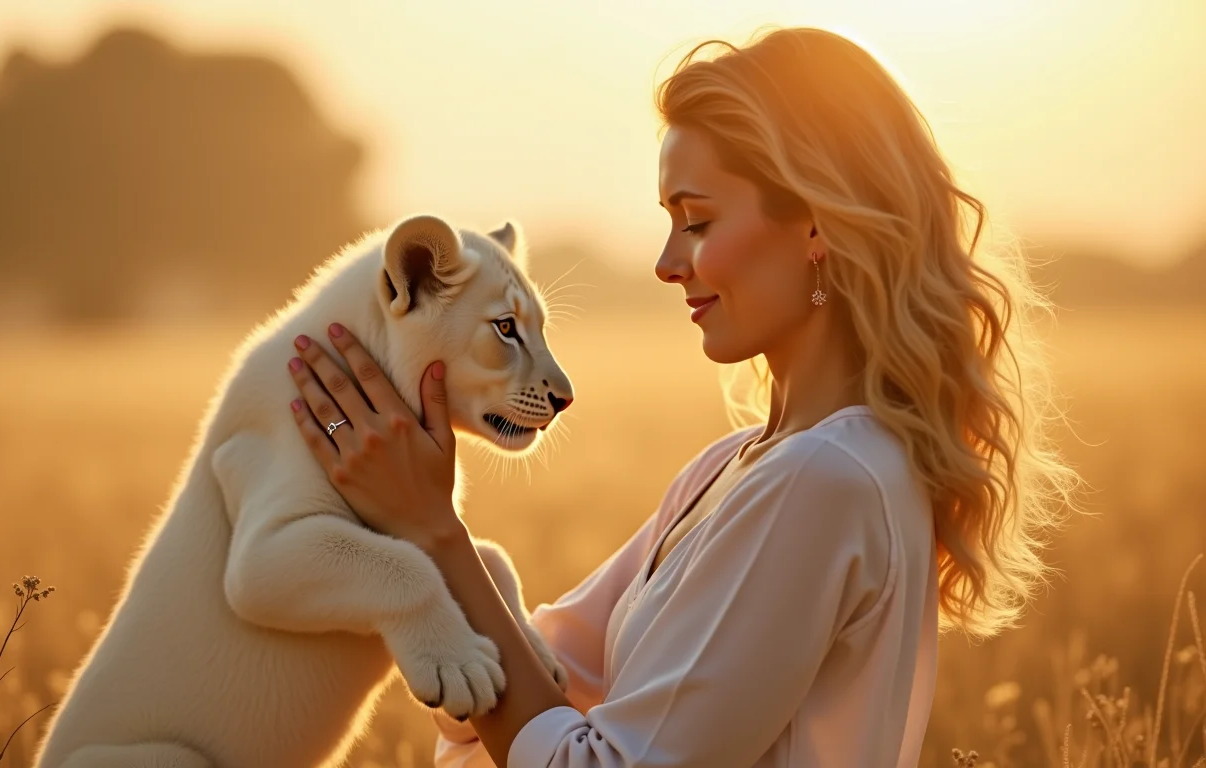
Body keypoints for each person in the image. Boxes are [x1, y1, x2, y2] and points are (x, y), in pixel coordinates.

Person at [283, 25, 1077, 768]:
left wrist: (430, 532)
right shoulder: (737, 467)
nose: (668, 262)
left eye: (696, 222)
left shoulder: (822, 480)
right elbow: (519, 675)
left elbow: (565, 743)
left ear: (815, 227)